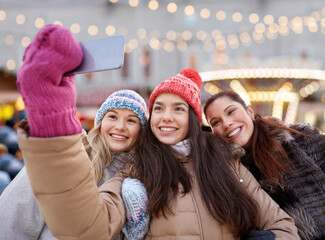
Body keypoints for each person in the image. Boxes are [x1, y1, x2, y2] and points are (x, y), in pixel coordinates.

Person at [16, 24, 299, 240]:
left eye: (178, 109)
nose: (166, 118)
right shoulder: (137, 168)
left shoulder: (226, 162)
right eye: (159, 108)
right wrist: (53, 117)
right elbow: (87, 227)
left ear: (192, 118)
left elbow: (283, 226)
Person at [0, 89, 149, 240]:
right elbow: (12, 216)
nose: (120, 126)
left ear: (142, 131)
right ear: (101, 122)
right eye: (112, 116)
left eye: (131, 120)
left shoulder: (141, 181)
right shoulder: (63, 158)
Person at [204, 90, 325, 240]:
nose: (227, 123)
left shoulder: (300, 139)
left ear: (249, 111)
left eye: (231, 112)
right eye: (216, 122)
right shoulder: (227, 173)